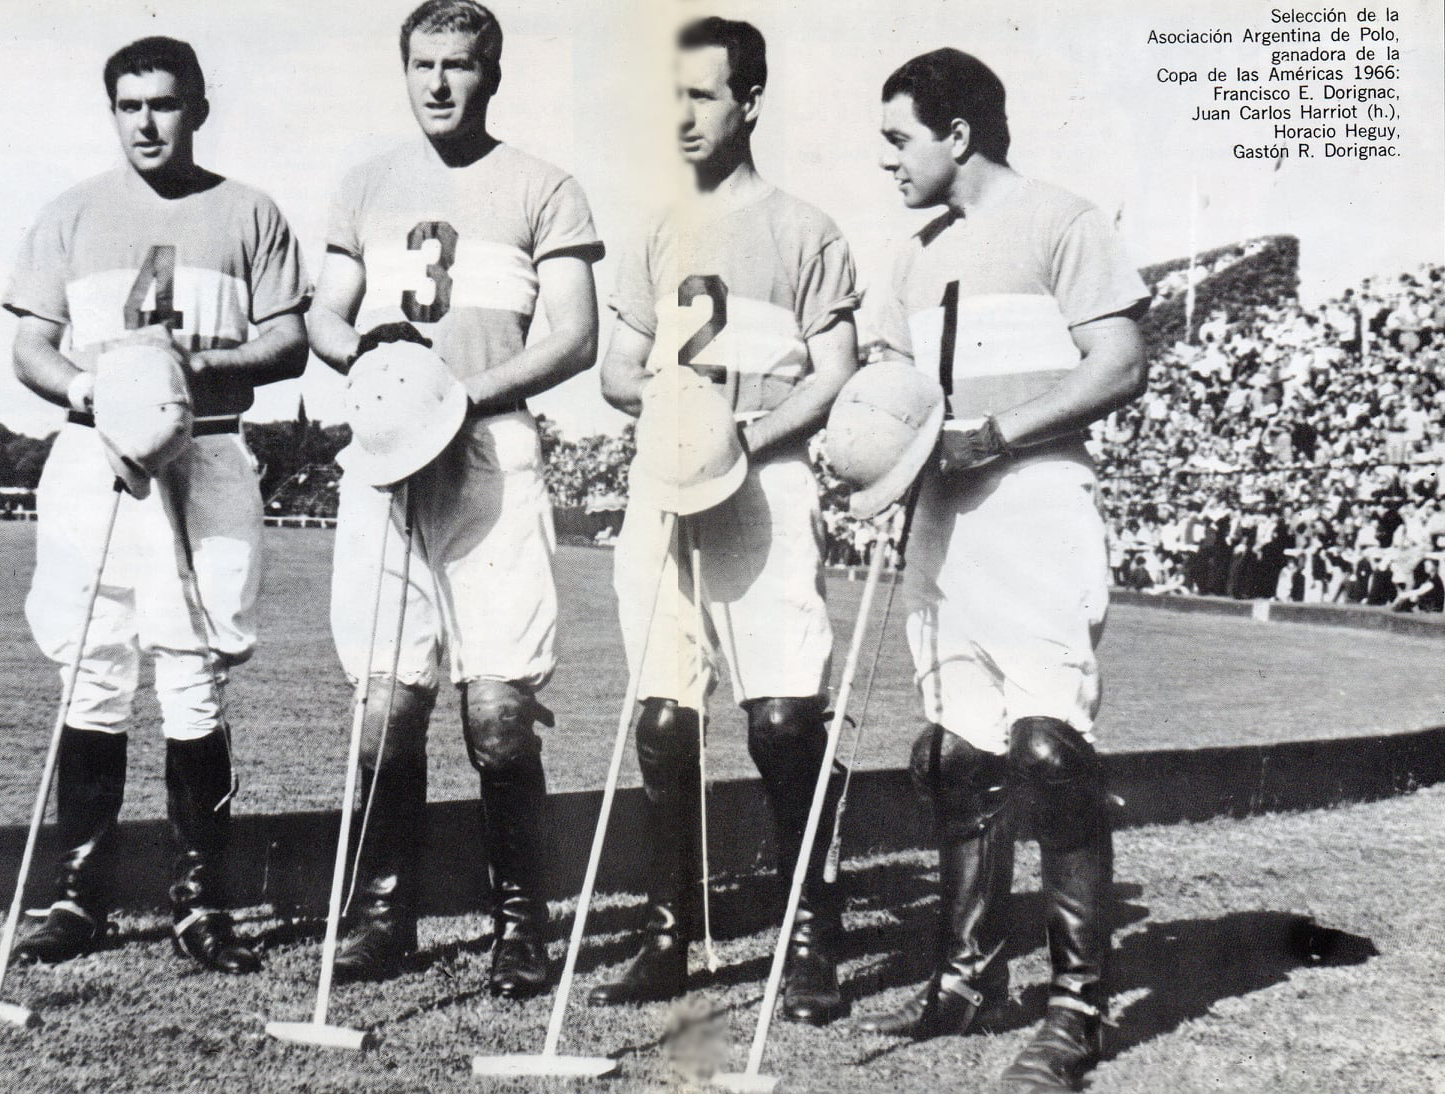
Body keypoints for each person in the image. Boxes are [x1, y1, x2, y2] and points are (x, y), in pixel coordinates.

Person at [853, 49, 1149, 1094]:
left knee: (1048, 746)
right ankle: (969, 976)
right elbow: (885, 391)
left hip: (1033, 505)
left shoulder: (1064, 220)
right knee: (958, 753)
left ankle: (1077, 1008)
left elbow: (1119, 361)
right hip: (940, 518)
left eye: (900, 137)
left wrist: (1002, 433)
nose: (886, 158)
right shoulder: (913, 255)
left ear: (959, 133)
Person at [307, 0, 603, 997]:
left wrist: (458, 393)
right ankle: (384, 911)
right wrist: (370, 362)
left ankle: (520, 921)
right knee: (387, 702)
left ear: (493, 74)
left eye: (461, 66)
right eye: (423, 63)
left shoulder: (543, 187)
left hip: (489, 454)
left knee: (501, 714)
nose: (440, 82)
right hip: (388, 456)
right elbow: (323, 311)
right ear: (404, 70)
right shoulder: (365, 183)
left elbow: (574, 336)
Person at [3, 36, 310, 972]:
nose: (147, 122)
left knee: (193, 673)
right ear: (113, 112)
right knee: (93, 668)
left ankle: (198, 902)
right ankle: (79, 896)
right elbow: (31, 347)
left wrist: (194, 369)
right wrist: (93, 391)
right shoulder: (70, 213)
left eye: (165, 104)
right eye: (129, 105)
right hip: (95, 456)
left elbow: (289, 342)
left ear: (198, 107)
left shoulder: (249, 209)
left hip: (209, 450)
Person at [593, 16, 861, 1025]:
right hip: (666, 484)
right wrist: (676, 414)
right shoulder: (658, 227)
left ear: (749, 100)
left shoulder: (806, 228)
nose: (686, 115)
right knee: (664, 713)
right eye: (673, 96)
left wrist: (745, 434)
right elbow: (618, 368)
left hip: (767, 487)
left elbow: (834, 371)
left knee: (784, 718)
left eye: (704, 95)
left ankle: (810, 927)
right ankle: (672, 929)